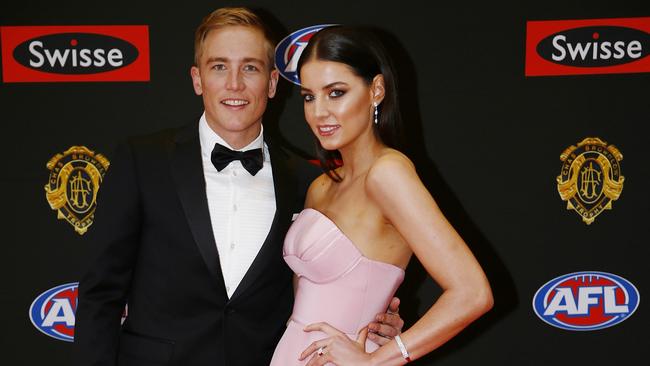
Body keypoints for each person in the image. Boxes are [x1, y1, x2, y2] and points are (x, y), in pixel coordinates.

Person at [73, 8, 402, 366]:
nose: (234, 84)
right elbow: (100, 295)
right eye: (219, 67)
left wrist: (375, 320)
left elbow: (329, 285)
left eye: (250, 67)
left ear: (273, 82)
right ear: (198, 79)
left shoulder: (309, 182)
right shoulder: (142, 161)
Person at [269, 26, 494, 366]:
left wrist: (378, 361)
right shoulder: (322, 186)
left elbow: (473, 293)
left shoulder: (388, 174)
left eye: (336, 93)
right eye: (309, 97)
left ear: (376, 90)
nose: (319, 113)